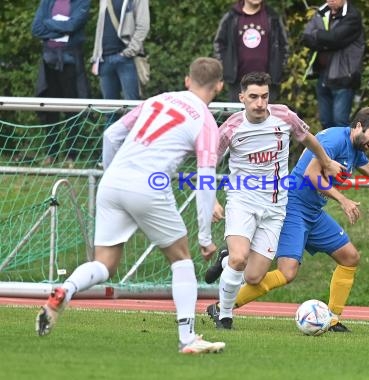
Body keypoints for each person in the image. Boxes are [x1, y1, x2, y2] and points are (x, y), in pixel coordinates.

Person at [35, 57, 226, 354]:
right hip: (148, 185)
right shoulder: (206, 121)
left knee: (104, 264)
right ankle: (188, 338)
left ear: (188, 80)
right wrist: (204, 236)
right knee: (182, 259)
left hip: (112, 182)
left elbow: (111, 135)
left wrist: (112, 174)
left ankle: (66, 289)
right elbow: (205, 179)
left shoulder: (158, 99)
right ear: (220, 86)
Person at [207, 106, 369, 332]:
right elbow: (310, 174)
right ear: (359, 126)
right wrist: (343, 200)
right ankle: (223, 306)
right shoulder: (334, 139)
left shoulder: (355, 150)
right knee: (287, 272)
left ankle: (332, 319)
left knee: (349, 257)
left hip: (313, 212)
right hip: (293, 206)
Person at [204, 71, 344, 330]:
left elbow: (309, 139)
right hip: (242, 200)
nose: (260, 103)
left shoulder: (284, 116)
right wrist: (211, 200)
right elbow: (208, 163)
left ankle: (225, 260)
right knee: (239, 258)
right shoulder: (231, 128)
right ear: (242, 97)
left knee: (253, 276)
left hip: (275, 206)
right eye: (254, 97)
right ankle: (224, 315)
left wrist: (325, 161)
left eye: (264, 96)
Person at [32, 0, 91, 167]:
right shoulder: (47, 1)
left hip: (70, 61)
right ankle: (51, 154)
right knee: (50, 109)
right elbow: (36, 28)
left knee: (71, 110)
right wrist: (60, 27)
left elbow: (72, 26)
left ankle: (70, 156)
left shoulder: (82, 2)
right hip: (49, 60)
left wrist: (48, 25)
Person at [301, 0, 364, 129]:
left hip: (344, 76)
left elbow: (335, 38)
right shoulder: (321, 12)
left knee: (340, 122)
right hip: (323, 74)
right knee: (325, 122)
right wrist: (326, 40)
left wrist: (317, 34)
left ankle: (344, 149)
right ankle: (328, 150)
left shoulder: (352, 16)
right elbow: (305, 37)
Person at [214, 0, 288, 102]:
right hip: (238, 84)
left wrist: (279, 67)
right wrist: (226, 67)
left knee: (265, 117)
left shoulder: (272, 16)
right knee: (240, 117)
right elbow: (219, 44)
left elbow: (283, 46)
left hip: (267, 84)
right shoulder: (231, 17)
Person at [91, 0, 150, 100]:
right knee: (109, 110)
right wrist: (96, 56)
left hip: (127, 59)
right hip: (104, 59)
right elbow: (100, 26)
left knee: (131, 107)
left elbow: (143, 26)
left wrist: (129, 52)